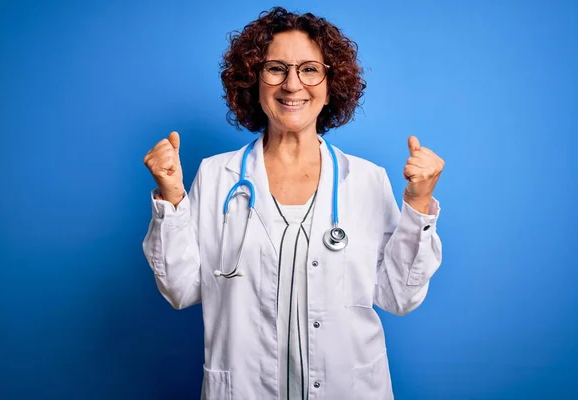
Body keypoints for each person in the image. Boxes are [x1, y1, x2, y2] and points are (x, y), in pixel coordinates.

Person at [142, 6, 444, 400]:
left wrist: (419, 203)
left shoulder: (367, 180)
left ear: (331, 82)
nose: (292, 84)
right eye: (276, 68)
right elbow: (180, 290)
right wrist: (171, 196)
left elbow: (399, 298)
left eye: (309, 69)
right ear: (253, 79)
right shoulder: (218, 176)